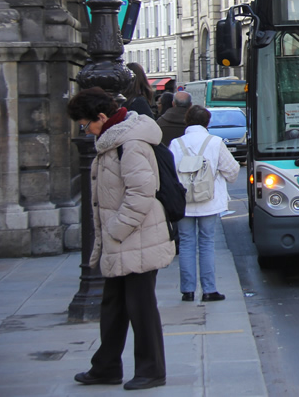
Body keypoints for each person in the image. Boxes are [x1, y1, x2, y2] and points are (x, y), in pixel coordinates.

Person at [67, 87, 172, 390]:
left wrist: (116, 229)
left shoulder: (130, 143)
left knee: (140, 306)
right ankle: (106, 367)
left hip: (137, 238)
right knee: (113, 305)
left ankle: (152, 370)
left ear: (102, 117)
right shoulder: (111, 142)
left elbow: (142, 192)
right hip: (124, 240)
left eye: (86, 124)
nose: (85, 130)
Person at [169, 105, 240, 302]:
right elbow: (233, 171)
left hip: (184, 202)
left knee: (186, 243)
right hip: (208, 200)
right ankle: (209, 290)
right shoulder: (215, 142)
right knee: (207, 243)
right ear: (207, 123)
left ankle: (187, 291)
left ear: (187, 121)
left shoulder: (176, 143)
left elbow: (170, 172)